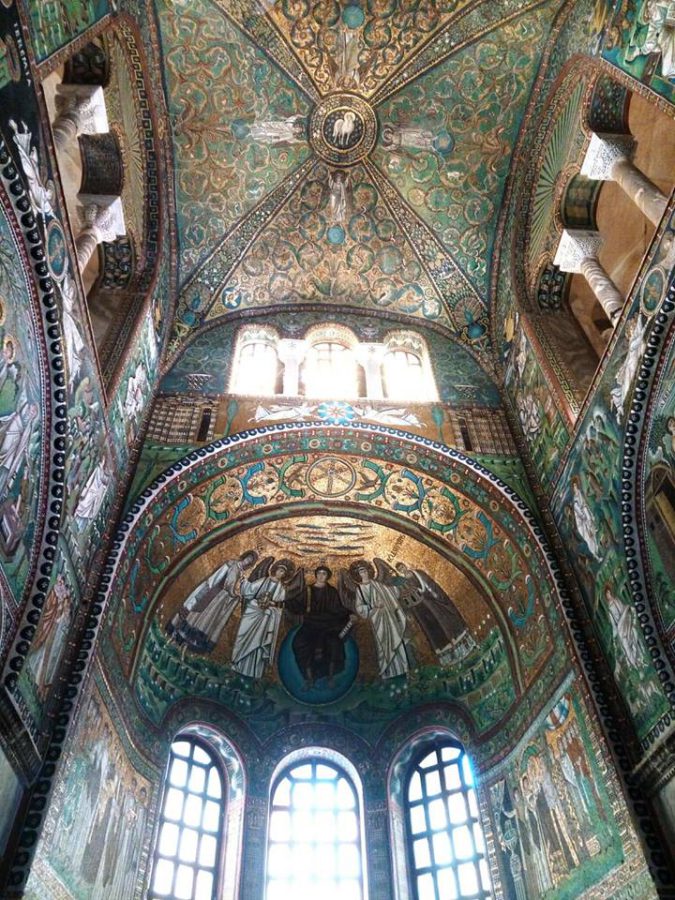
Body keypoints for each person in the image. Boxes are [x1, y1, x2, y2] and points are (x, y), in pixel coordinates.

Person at [166, 550, 258, 654]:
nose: (247, 561)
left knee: (199, 620)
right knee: (191, 613)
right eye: (248, 558)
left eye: (249, 561)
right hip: (212, 593)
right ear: (244, 557)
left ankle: (183, 644)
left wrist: (235, 595)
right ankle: (175, 637)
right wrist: (232, 594)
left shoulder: (239, 571)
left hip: (216, 596)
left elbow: (230, 587)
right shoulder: (233, 564)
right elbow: (225, 582)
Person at [289, 565, 352, 689]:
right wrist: (278, 603)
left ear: (327, 576)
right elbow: (295, 603)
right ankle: (309, 679)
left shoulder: (332, 591)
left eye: (324, 574)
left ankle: (330, 677)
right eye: (319, 573)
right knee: (299, 644)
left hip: (328, 626)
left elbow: (338, 609)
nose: (321, 576)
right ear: (316, 575)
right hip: (310, 625)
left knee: (334, 644)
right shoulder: (308, 591)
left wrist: (350, 614)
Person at [231, 559, 293, 679]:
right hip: (253, 612)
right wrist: (243, 582)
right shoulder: (264, 580)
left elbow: (280, 605)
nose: (281, 573)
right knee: (243, 637)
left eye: (283, 573)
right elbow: (249, 590)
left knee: (259, 642)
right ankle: (236, 664)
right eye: (280, 570)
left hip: (266, 619)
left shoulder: (281, 589)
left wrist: (271, 605)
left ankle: (254, 673)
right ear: (275, 570)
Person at [351, 560, 409, 679]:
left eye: (365, 570)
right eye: (361, 571)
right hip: (376, 619)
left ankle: (404, 669)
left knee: (396, 640)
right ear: (358, 574)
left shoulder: (377, 584)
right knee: (383, 644)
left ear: (368, 571)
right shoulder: (360, 590)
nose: (363, 573)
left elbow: (391, 592)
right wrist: (374, 606)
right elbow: (359, 608)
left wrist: (402, 586)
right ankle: (389, 672)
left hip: (388, 617)